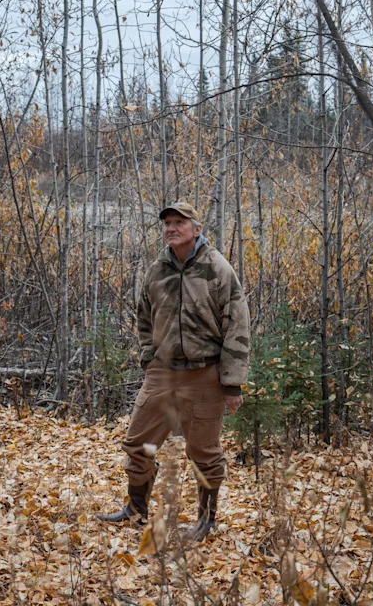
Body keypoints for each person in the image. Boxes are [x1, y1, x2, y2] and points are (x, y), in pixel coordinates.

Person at [97, 201, 250, 542]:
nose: (172, 227)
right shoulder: (157, 271)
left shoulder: (218, 269)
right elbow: (143, 318)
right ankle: (135, 510)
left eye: (180, 222)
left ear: (197, 229)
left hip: (205, 374)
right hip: (162, 373)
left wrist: (232, 382)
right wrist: (149, 358)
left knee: (205, 454)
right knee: (138, 444)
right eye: (167, 222)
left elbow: (237, 325)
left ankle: (205, 522)